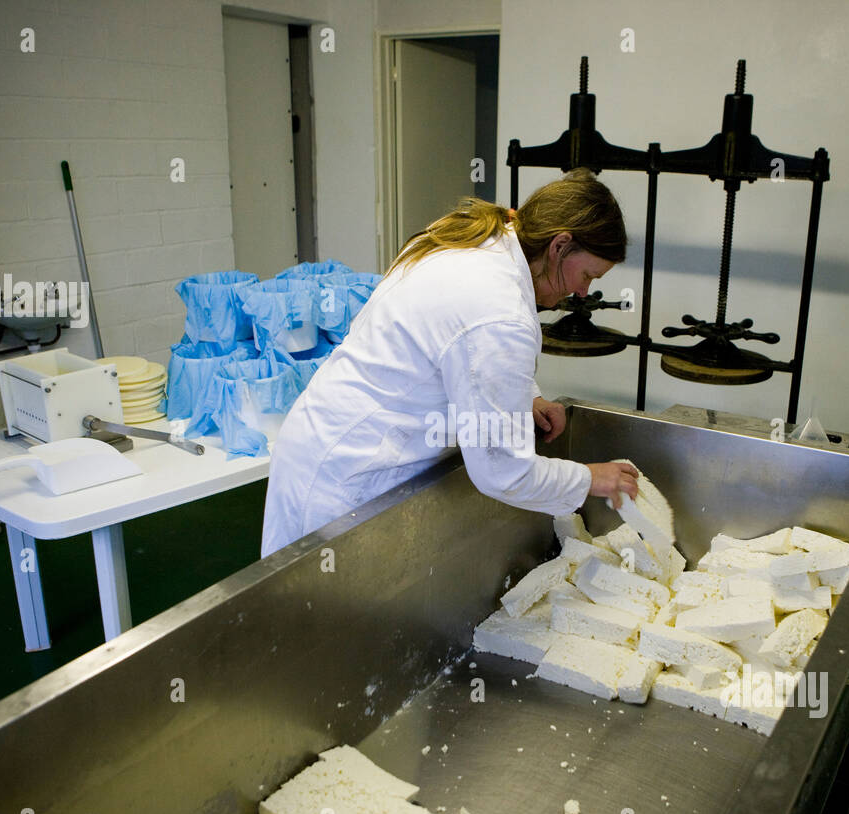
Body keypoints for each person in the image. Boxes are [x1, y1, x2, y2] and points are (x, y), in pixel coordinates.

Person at [260, 168, 640, 558]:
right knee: (319, 612)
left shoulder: (482, 239)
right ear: (560, 245)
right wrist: (590, 478)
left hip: (323, 443)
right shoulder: (499, 310)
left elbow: (458, 350)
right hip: (346, 478)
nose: (583, 292)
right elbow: (502, 471)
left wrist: (526, 397)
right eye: (588, 275)